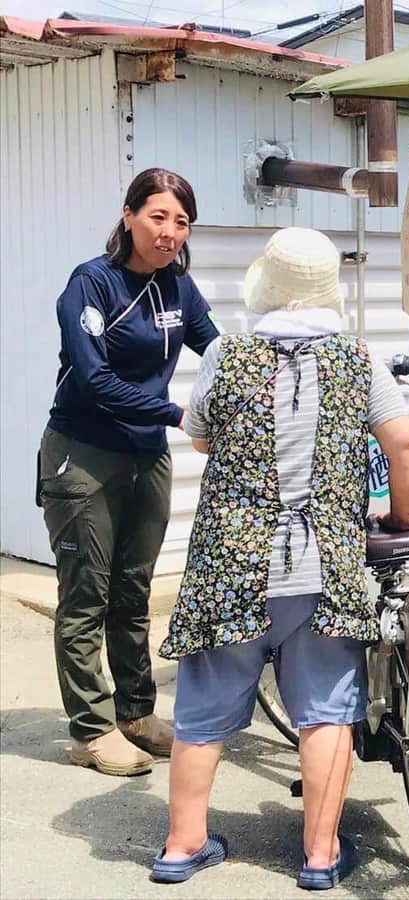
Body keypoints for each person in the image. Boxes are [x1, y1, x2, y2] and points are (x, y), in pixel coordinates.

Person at [152, 227, 409, 889]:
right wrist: (406, 518)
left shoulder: (226, 351)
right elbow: (406, 443)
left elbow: (199, 440)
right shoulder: (356, 358)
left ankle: (183, 846)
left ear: (267, 285)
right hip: (324, 568)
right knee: (328, 709)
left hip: (231, 567)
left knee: (202, 710)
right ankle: (321, 856)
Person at [39, 168, 219, 777]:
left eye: (181, 222)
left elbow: (216, 350)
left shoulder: (177, 288)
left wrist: (260, 374)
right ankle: (91, 729)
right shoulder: (92, 283)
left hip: (148, 457)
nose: (170, 233)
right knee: (86, 593)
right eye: (158, 217)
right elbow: (94, 379)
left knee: (133, 588)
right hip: (83, 454)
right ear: (129, 216)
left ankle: (136, 714)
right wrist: (179, 412)